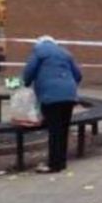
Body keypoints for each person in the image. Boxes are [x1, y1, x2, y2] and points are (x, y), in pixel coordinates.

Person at [22, 36, 83, 174]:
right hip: (69, 96)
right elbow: (78, 75)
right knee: (63, 129)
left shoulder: (39, 51)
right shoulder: (65, 53)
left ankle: (53, 165)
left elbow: (29, 72)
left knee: (54, 130)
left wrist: (24, 84)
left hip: (51, 96)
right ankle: (61, 162)